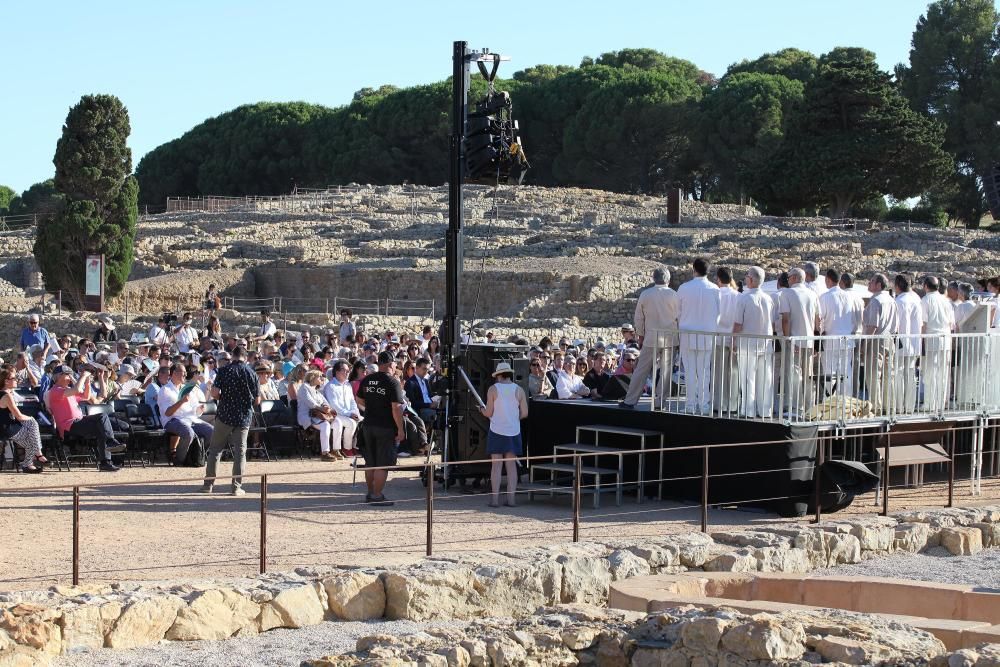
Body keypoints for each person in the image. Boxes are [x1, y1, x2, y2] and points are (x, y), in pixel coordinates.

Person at [202, 346, 259, 495]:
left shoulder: (224, 371)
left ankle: (208, 485)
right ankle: (236, 487)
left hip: (224, 415)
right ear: (245, 357)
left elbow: (214, 393)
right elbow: (257, 400)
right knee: (240, 453)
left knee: (215, 450)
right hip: (243, 417)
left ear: (233, 356)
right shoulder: (252, 373)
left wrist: (225, 399)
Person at [621, 267, 680, 409]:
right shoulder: (674, 295)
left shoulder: (646, 294)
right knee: (666, 371)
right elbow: (679, 317)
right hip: (670, 338)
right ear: (668, 279)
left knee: (641, 370)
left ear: (654, 278)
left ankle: (630, 400)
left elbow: (639, 318)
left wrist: (640, 335)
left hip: (651, 337)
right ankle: (660, 402)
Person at [47, 365, 125, 472]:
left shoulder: (68, 390)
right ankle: (111, 441)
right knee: (101, 416)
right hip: (68, 426)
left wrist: (87, 381)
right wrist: (83, 375)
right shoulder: (55, 391)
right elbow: (77, 389)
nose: (70, 377)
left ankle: (105, 462)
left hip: (77, 422)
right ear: (58, 377)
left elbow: (86, 397)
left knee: (101, 428)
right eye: (67, 374)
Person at [357, 352, 405, 506]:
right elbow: (396, 408)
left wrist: (372, 407)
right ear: (390, 364)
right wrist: (401, 429)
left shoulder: (367, 379)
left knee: (370, 462)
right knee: (382, 464)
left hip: (368, 424)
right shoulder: (393, 382)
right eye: (394, 364)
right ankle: (377, 495)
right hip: (385, 426)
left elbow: (358, 399)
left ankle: (371, 493)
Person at [479, 361, 529, 508]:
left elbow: (488, 412)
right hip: (513, 430)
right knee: (511, 466)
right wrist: (513, 418)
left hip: (497, 430)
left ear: (499, 375)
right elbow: (525, 413)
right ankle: (511, 499)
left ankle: (494, 500)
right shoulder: (519, 390)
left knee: (496, 466)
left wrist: (481, 410)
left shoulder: (493, 389)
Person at [677, 258, 721, 415]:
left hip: (687, 335)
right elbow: (718, 313)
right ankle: (704, 405)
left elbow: (678, 311)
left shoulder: (683, 288)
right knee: (704, 372)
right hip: (706, 335)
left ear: (694, 269)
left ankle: (690, 405)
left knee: (689, 371)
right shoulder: (715, 289)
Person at [733, 266, 775, 418]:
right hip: (766, 343)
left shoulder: (743, 298)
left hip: (748, 344)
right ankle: (765, 410)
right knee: (765, 379)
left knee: (747, 378)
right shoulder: (768, 298)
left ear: (750, 279)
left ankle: (748, 410)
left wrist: (733, 342)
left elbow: (738, 324)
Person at [778, 268, 820, 416]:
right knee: (808, 375)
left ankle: (796, 408)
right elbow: (817, 321)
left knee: (794, 375)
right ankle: (809, 407)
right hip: (808, 340)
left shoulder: (787, 293)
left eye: (789, 277)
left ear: (794, 278)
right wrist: (815, 343)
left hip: (794, 339)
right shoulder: (813, 294)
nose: (787, 279)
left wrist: (788, 338)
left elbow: (786, 319)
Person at [818, 269, 863, 397]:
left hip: (831, 339)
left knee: (829, 371)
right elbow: (855, 319)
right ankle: (846, 402)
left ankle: (830, 402)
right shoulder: (849, 296)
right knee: (846, 371)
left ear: (828, 279)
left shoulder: (825, 297)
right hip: (847, 339)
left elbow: (820, 319)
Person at [158, 363, 213, 465]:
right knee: (189, 433)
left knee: (211, 431)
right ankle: (179, 460)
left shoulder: (186, 388)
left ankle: (197, 455)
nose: (185, 375)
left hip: (190, 419)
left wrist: (199, 408)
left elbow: (194, 409)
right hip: (172, 420)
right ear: (174, 373)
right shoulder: (165, 390)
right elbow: (168, 413)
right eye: (183, 373)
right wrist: (181, 401)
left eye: (185, 373)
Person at [862, 273, 899, 415]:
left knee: (873, 375)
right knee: (889, 375)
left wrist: (865, 343)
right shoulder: (891, 300)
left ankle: (876, 407)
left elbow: (873, 325)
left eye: (871, 281)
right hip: (890, 338)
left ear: (878, 284)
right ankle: (889, 406)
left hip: (877, 339)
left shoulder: (876, 301)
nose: (869, 284)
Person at [0, 367, 46, 473]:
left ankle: (28, 464)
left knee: (31, 441)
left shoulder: (7, 393)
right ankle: (38, 455)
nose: (17, 380)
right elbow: (19, 416)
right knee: (33, 422)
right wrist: (31, 418)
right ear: (6, 381)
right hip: (7, 428)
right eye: (14, 378)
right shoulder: (6, 396)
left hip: (7, 427)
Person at [921, 275, 955, 413]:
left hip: (932, 338)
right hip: (946, 338)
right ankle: (941, 402)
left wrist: (921, 341)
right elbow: (951, 323)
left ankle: (930, 404)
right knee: (943, 372)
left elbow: (923, 323)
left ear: (925, 286)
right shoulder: (946, 301)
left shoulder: (926, 300)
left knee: (931, 372)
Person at [894, 275, 923, 414]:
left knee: (899, 375)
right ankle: (910, 407)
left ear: (898, 286)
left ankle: (900, 406)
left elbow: (895, 325)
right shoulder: (916, 299)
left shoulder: (899, 301)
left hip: (900, 343)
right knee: (911, 375)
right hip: (914, 342)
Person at [714, 267, 740, 413]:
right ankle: (733, 404)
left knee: (719, 373)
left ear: (718, 279)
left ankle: (719, 404)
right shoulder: (738, 295)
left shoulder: (716, 294)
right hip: (733, 337)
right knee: (733, 373)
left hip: (718, 338)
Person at [323, 359, 362, 459]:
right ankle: (346, 448)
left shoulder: (348, 385)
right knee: (351, 423)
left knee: (363, 421)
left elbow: (352, 401)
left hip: (348, 414)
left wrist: (355, 413)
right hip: (336, 415)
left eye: (348, 370)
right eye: (345, 370)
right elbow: (335, 406)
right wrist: (350, 414)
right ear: (337, 372)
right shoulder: (330, 386)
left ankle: (356, 447)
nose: (348, 372)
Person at [298, 369, 338, 460]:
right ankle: (325, 453)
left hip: (318, 416)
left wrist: (326, 407)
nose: (322, 378)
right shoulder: (304, 387)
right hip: (307, 416)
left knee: (337, 423)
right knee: (325, 425)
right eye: (319, 376)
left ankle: (336, 450)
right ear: (312, 377)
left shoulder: (316, 390)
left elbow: (326, 402)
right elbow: (310, 403)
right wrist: (323, 409)